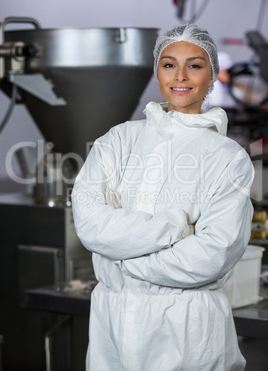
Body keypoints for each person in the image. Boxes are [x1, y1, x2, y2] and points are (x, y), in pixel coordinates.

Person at [71, 24, 254, 371]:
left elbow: (211, 257)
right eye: (169, 64)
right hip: (112, 327)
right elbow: (91, 225)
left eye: (195, 65)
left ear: (212, 75)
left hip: (187, 333)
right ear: (157, 71)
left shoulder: (227, 158)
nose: (180, 76)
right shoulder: (119, 140)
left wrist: (121, 258)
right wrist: (176, 229)